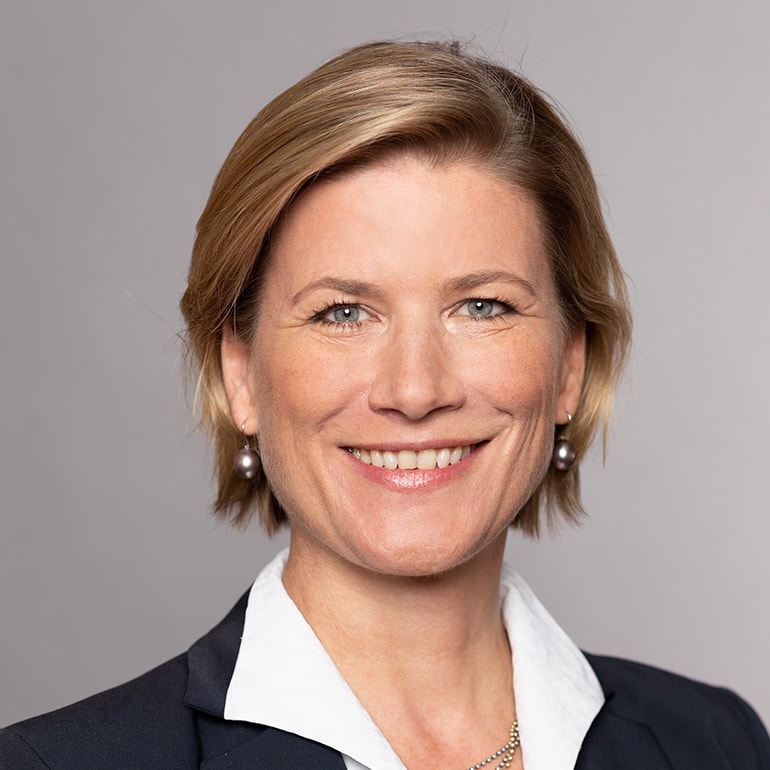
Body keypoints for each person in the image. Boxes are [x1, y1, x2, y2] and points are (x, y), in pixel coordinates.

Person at [1, 40, 768, 770]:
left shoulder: (719, 743)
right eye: (342, 313)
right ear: (240, 374)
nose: (414, 390)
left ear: (571, 365)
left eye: (482, 306)